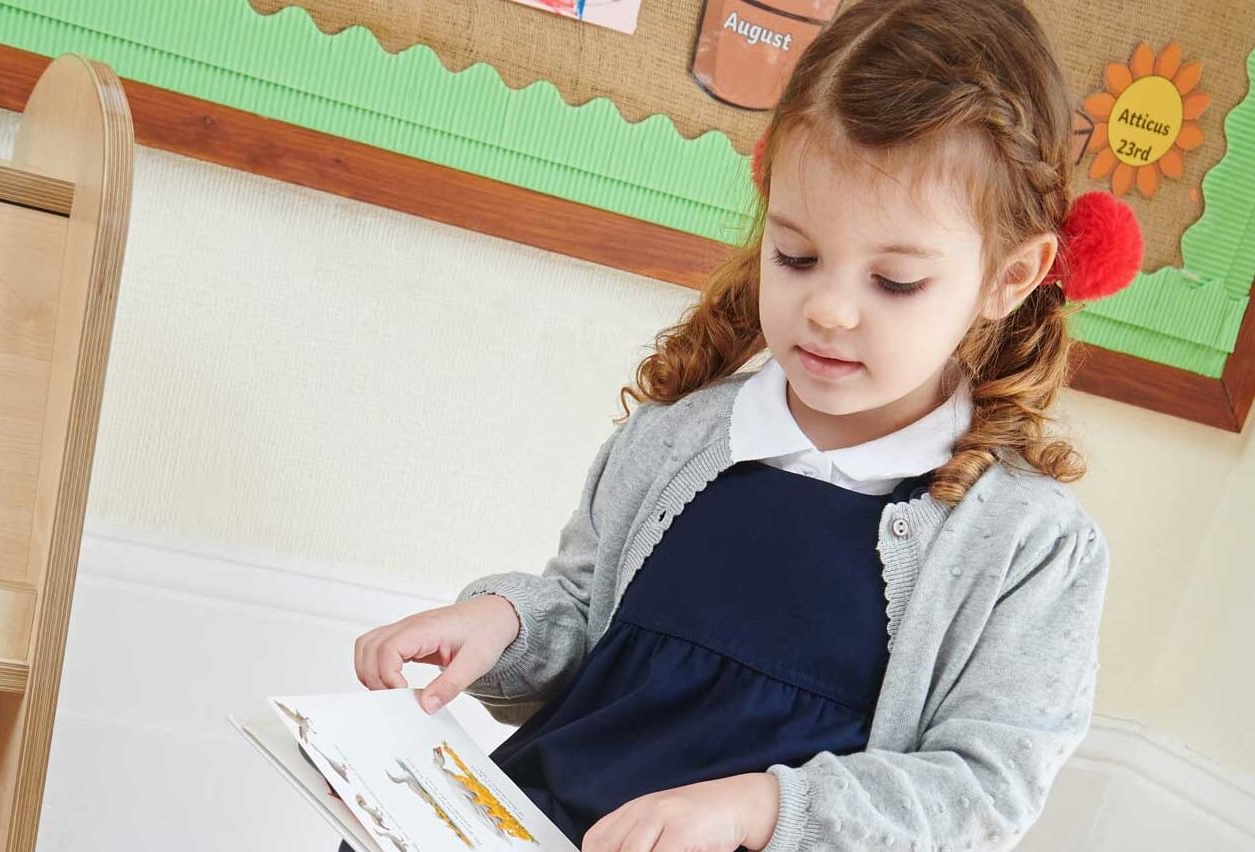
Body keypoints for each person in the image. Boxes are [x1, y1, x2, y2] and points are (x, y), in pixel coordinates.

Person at [347, 0, 1143, 848]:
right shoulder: (676, 436)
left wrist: (760, 807)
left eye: (895, 282)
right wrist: (500, 625)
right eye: (796, 257)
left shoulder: (1031, 546)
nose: (829, 310)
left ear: (1009, 276)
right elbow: (581, 615)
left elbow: (981, 793)